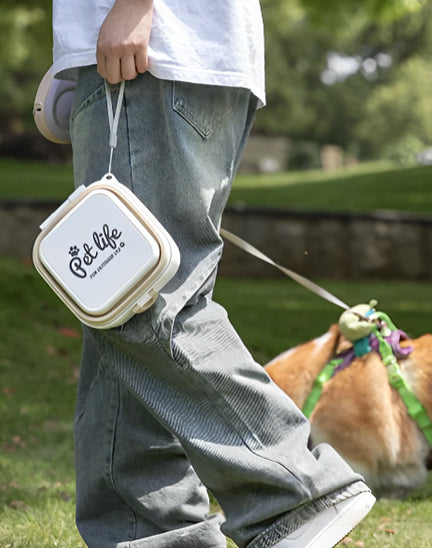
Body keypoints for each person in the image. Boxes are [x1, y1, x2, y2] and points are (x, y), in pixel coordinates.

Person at [50, 1, 375, 546]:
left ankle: (294, 492)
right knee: (115, 310)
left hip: (154, 56)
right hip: (167, 57)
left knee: (141, 300)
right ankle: (150, 534)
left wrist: (132, 6)